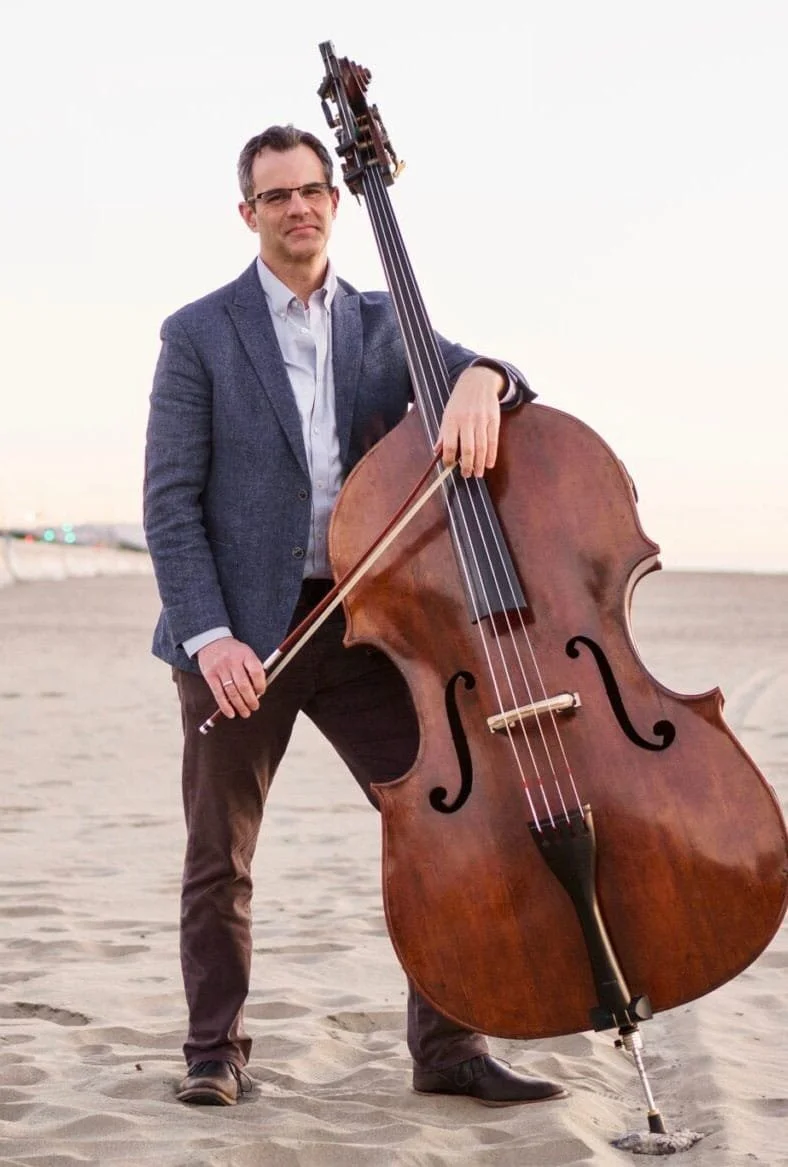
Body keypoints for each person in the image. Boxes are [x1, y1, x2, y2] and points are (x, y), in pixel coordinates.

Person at [143, 123, 567, 1108]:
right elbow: (168, 502)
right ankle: (214, 1054)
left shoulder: (382, 325)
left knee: (439, 830)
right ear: (246, 214)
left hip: (363, 621)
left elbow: (504, 376)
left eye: (311, 190)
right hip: (239, 635)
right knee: (221, 855)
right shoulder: (198, 333)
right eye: (275, 195)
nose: (297, 207)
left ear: (335, 200)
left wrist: (479, 379)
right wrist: (211, 639)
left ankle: (449, 1051)